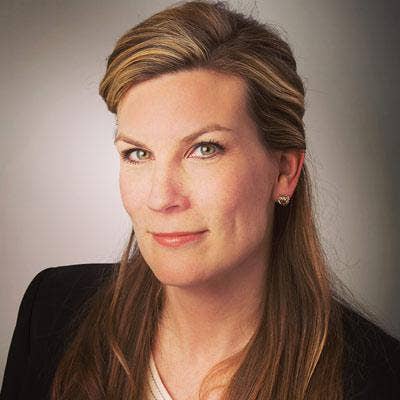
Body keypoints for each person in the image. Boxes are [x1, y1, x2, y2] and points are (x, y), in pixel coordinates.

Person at [1, 1, 399, 399]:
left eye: (205, 149)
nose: (161, 197)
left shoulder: (379, 381)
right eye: (137, 153)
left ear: (284, 172)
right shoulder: (51, 312)